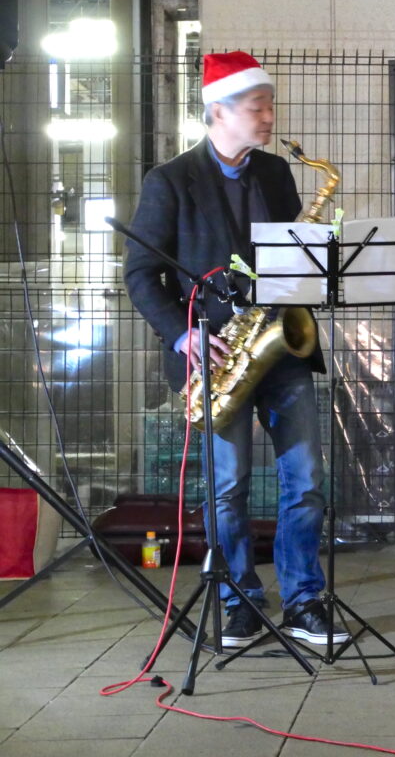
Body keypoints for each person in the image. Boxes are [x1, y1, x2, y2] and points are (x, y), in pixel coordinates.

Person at [124, 51, 346, 648]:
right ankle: (239, 599)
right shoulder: (168, 181)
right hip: (218, 356)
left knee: (305, 482)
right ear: (218, 111)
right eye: (258, 107)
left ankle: (304, 601)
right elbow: (142, 274)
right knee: (228, 488)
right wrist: (183, 332)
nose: (270, 117)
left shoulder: (276, 174)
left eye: (269, 105)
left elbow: (293, 260)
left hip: (282, 347)